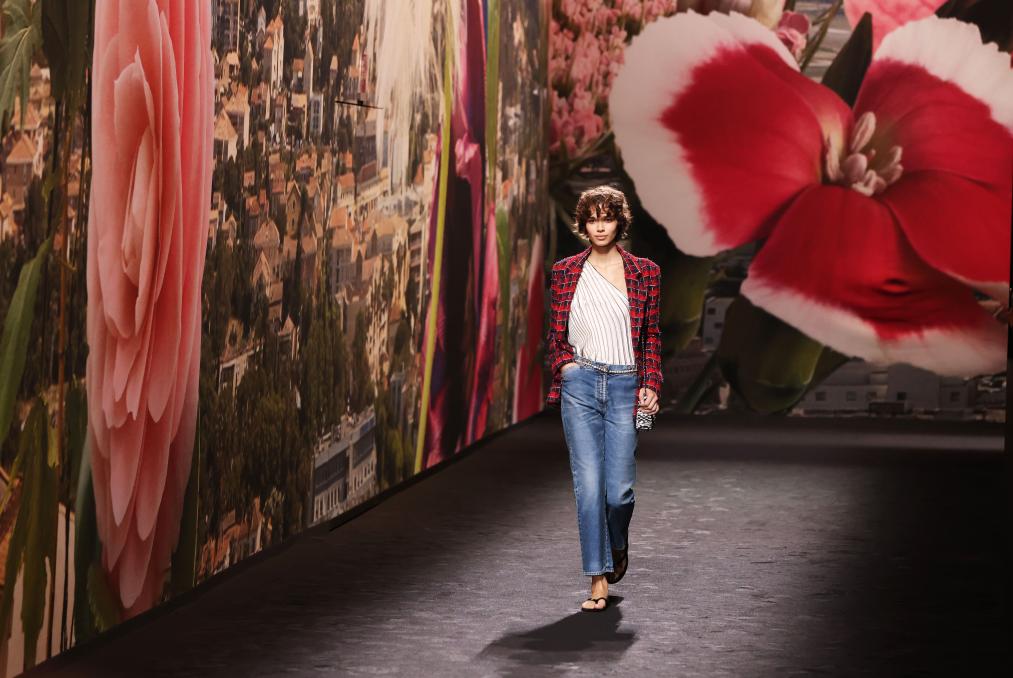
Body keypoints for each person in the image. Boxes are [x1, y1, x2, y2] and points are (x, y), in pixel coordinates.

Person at [545, 185, 663, 612]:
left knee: (620, 493)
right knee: (589, 487)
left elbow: (650, 334)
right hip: (580, 385)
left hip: (625, 385)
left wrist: (652, 383)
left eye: (607, 218)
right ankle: (597, 579)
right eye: (592, 219)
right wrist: (566, 367)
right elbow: (555, 334)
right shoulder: (564, 272)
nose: (599, 227)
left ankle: (617, 544)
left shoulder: (646, 272)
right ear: (583, 224)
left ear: (619, 223)